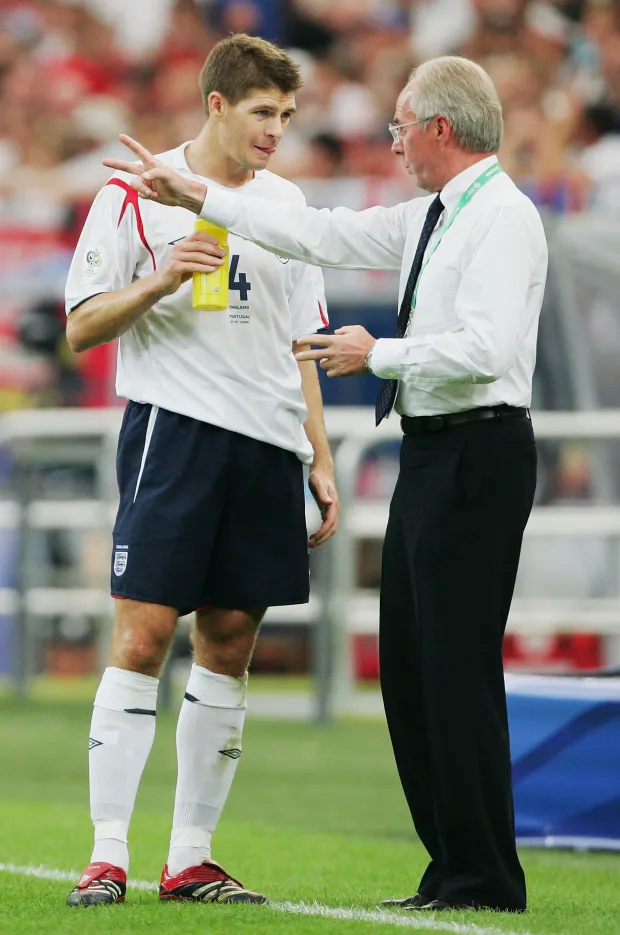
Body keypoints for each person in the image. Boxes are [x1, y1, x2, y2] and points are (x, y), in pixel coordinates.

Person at [107, 54, 548, 913]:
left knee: (454, 670)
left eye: (399, 125)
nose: (391, 140)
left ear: (439, 131)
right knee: (413, 672)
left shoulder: (503, 218)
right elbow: (322, 235)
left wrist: (374, 353)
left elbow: (488, 350)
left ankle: (486, 873)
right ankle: (452, 867)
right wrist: (195, 193)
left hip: (480, 453)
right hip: (431, 450)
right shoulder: (436, 214)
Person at [64, 33, 339, 908]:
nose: (276, 131)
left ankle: (190, 856)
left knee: (229, 645)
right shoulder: (132, 196)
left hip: (266, 446)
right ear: (217, 104)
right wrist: (160, 281)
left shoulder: (289, 205)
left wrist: (321, 456)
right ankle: (107, 853)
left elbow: (303, 341)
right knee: (142, 638)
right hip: (173, 435)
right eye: (263, 113)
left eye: (287, 117)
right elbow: (80, 326)